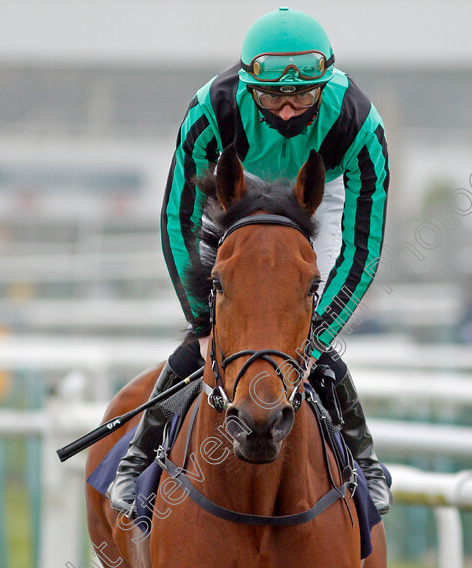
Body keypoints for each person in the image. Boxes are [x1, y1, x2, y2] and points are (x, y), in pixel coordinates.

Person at [108, 7, 392, 517]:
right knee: (214, 336)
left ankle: (364, 460)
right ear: (246, 85)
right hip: (235, 188)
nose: (286, 111)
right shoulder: (210, 110)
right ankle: (137, 458)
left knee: (302, 330)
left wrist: (315, 332)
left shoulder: (359, 123)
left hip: (315, 191)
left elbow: (363, 250)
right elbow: (178, 220)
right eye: (271, 96)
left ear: (325, 86)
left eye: (302, 95)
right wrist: (203, 320)